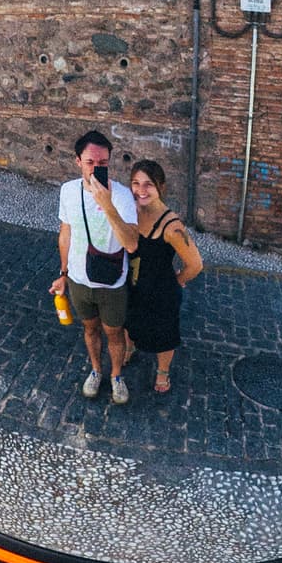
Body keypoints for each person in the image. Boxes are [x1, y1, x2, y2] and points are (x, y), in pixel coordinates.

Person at [58, 129, 138, 403]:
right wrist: (63, 274)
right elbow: (65, 234)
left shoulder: (123, 196)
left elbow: (130, 244)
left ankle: (116, 375)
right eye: (90, 162)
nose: (96, 168)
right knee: (90, 329)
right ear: (78, 161)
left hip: (112, 281)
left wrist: (107, 204)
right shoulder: (68, 191)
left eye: (103, 163)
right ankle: (96, 370)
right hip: (80, 280)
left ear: (110, 162)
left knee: (114, 333)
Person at [125, 158, 203, 397]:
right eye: (135, 183)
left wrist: (177, 281)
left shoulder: (172, 227)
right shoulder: (132, 211)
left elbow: (195, 265)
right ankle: (129, 348)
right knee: (130, 322)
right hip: (133, 284)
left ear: (161, 186)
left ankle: (162, 370)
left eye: (148, 184)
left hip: (161, 292)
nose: (140, 190)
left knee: (164, 333)